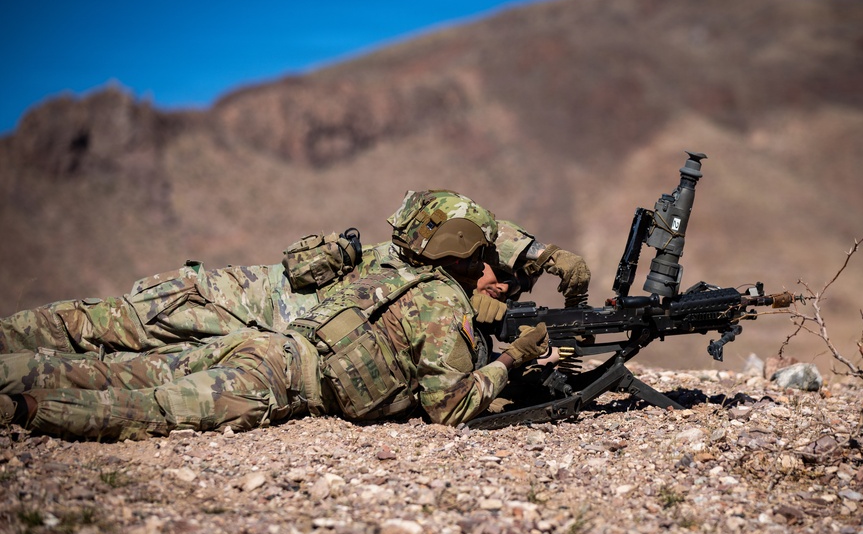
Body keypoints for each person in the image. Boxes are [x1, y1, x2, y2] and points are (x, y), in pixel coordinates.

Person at [0, 191, 551, 440]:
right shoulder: (442, 303)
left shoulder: (388, 264)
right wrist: (511, 360)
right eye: (483, 261)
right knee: (154, 408)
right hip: (276, 377)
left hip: (265, 345)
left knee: (117, 371)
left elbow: (442, 211)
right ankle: (21, 411)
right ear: (458, 258)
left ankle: (16, 381)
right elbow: (448, 408)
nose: (490, 272)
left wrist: (527, 257)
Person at [0, 220, 589, 358]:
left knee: (115, 354)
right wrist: (541, 253)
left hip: (244, 329)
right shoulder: (407, 261)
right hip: (212, 300)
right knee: (86, 327)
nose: (497, 283)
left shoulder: (421, 283)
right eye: (493, 270)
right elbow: (470, 220)